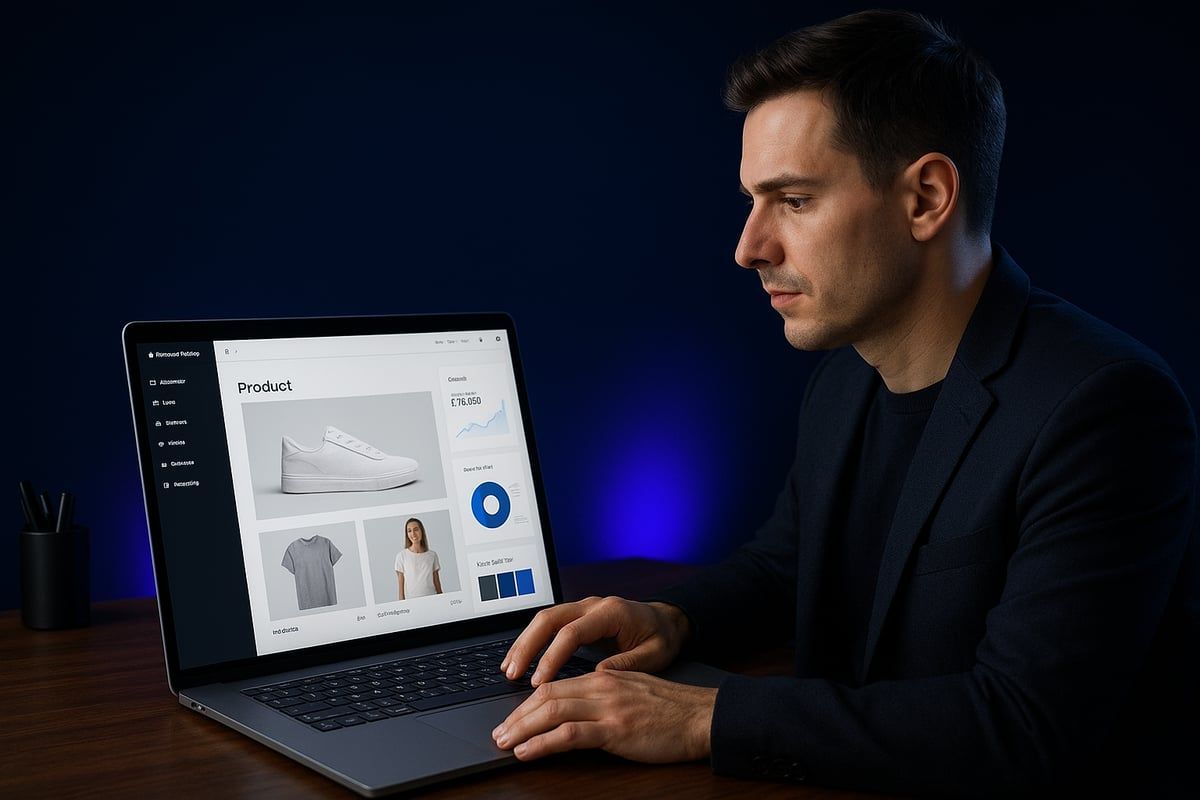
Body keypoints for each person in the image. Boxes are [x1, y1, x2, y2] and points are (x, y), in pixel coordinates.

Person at [489, 9, 1198, 796]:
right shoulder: (848, 375)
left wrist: (705, 718)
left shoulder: (1104, 406)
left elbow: (1023, 725)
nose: (749, 247)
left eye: (792, 200)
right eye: (753, 201)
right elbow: (786, 568)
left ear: (927, 197)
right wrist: (672, 619)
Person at [395, 517, 442, 600]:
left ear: (421, 531)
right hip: (412, 602)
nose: (413, 533)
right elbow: (401, 589)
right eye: (409, 531)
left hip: (433, 599)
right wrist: (402, 606)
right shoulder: (401, 556)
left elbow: (437, 583)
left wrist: (443, 600)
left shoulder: (432, 555)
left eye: (416, 529)